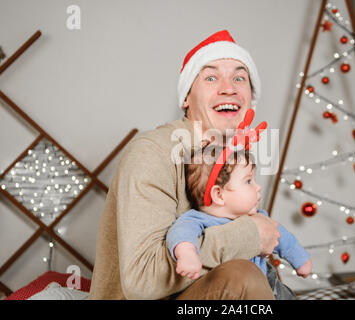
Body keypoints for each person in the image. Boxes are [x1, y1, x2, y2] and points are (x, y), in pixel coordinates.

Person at [89, 30, 282, 300]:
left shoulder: (233, 155)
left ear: (251, 96)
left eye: (240, 78)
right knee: (242, 276)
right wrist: (248, 235)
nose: (229, 88)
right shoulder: (153, 153)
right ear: (186, 98)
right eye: (211, 77)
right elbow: (141, 281)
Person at [166, 144, 312, 285]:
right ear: (219, 195)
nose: (258, 186)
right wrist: (187, 254)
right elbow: (181, 233)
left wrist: (300, 260)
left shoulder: (257, 218)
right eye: (248, 181)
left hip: (263, 288)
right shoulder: (199, 219)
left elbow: (283, 237)